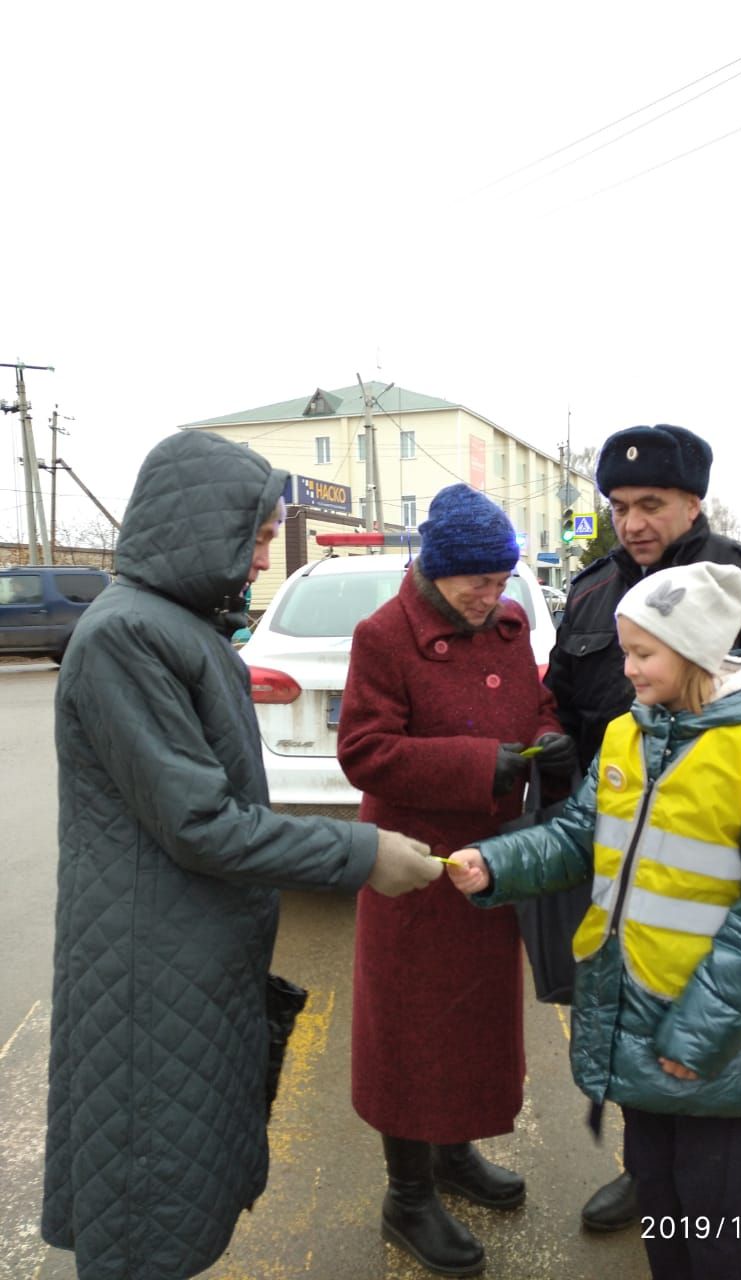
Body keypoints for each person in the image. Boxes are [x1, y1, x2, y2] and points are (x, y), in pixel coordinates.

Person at [42, 430, 442, 1280]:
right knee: (147, 1186)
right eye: (256, 537)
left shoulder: (173, 625)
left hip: (185, 952)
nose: (262, 558)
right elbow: (201, 823)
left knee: (174, 1170)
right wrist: (361, 852)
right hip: (152, 966)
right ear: (201, 528)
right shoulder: (129, 637)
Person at [448, 560, 741, 1280]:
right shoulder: (626, 736)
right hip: (634, 1013)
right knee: (659, 1199)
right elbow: (574, 837)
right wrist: (496, 864)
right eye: (624, 650)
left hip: (715, 1036)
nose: (627, 669)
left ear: (696, 654)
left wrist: (700, 1033)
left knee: (712, 1218)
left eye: (642, 653)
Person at [544, 423, 741, 1280]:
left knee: (736, 1052)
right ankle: (654, 1183)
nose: (632, 522)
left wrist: (705, 794)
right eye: (619, 506)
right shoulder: (595, 593)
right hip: (627, 865)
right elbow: (563, 698)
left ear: (691, 502)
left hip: (719, 867)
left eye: (651, 505)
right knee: (643, 1030)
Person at [336, 483, 576, 1278]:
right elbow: (364, 751)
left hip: (491, 862)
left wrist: (546, 740)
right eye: (476, 578)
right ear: (435, 572)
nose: (492, 592)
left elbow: (534, 703)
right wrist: (481, 765)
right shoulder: (384, 636)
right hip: (414, 866)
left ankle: (452, 1155)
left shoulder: (507, 625)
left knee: (470, 1024)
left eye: (501, 575)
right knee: (409, 1032)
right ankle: (406, 1197)